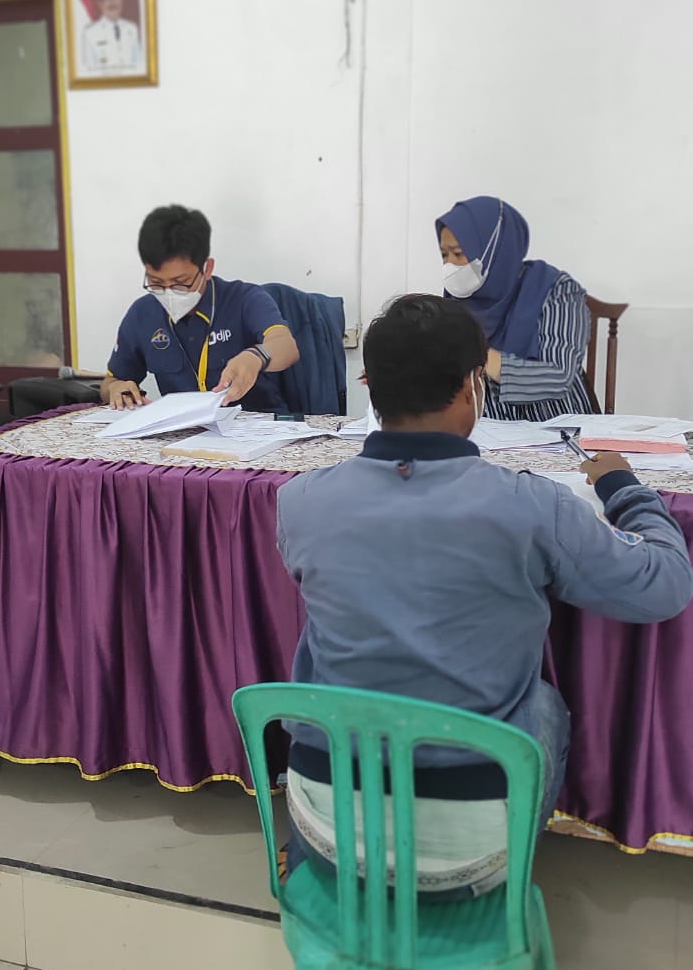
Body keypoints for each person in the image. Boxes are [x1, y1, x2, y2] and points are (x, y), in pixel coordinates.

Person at [277, 294, 693, 896]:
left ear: (370, 386)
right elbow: (665, 585)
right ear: (473, 385)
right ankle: (502, 869)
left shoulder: (300, 500)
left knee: (329, 653)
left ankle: (323, 847)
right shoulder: (531, 505)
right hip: (464, 857)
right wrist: (624, 487)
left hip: (327, 827)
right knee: (542, 704)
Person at [102, 205, 299, 413]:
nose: (169, 293)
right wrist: (116, 388)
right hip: (184, 427)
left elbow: (286, 346)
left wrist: (256, 356)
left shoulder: (244, 299)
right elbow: (110, 382)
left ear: (207, 268)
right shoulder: (142, 314)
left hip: (254, 423)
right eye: (156, 283)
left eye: (181, 283)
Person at [437, 196, 594, 422]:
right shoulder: (456, 300)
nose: (449, 264)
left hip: (554, 424)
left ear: (493, 249)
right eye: (444, 254)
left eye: (458, 253)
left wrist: (477, 356)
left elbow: (558, 376)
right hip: (484, 428)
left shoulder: (558, 291)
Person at [81, 0, 142, 74]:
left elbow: (139, 68)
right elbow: (88, 73)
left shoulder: (132, 29)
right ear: (100, 3)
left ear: (122, 0)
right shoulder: (90, 34)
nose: (113, 2)